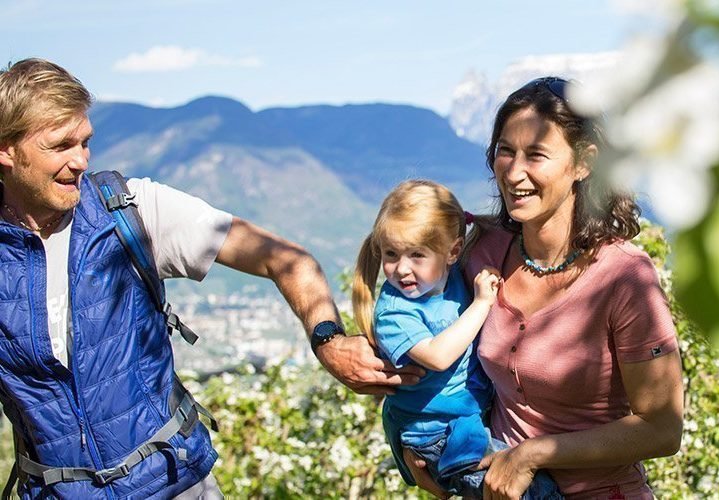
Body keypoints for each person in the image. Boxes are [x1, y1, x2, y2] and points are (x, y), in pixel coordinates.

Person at [0, 57, 421, 499]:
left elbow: (283, 259)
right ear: (7, 150)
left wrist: (328, 340)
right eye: (60, 146)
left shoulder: (129, 211)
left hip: (176, 482)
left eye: (85, 142)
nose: (80, 161)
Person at [407, 77, 685, 499]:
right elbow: (417, 327)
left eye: (536, 155)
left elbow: (662, 428)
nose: (513, 171)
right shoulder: (481, 251)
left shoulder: (624, 277)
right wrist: (412, 444)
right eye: (505, 151)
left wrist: (532, 454)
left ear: (584, 163)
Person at [352, 179, 562, 499]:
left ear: (452, 251)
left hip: (465, 422)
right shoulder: (395, 312)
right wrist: (481, 303)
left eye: (417, 255)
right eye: (391, 254)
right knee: (535, 493)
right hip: (436, 437)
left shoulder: (448, 277)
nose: (402, 269)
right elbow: (438, 356)